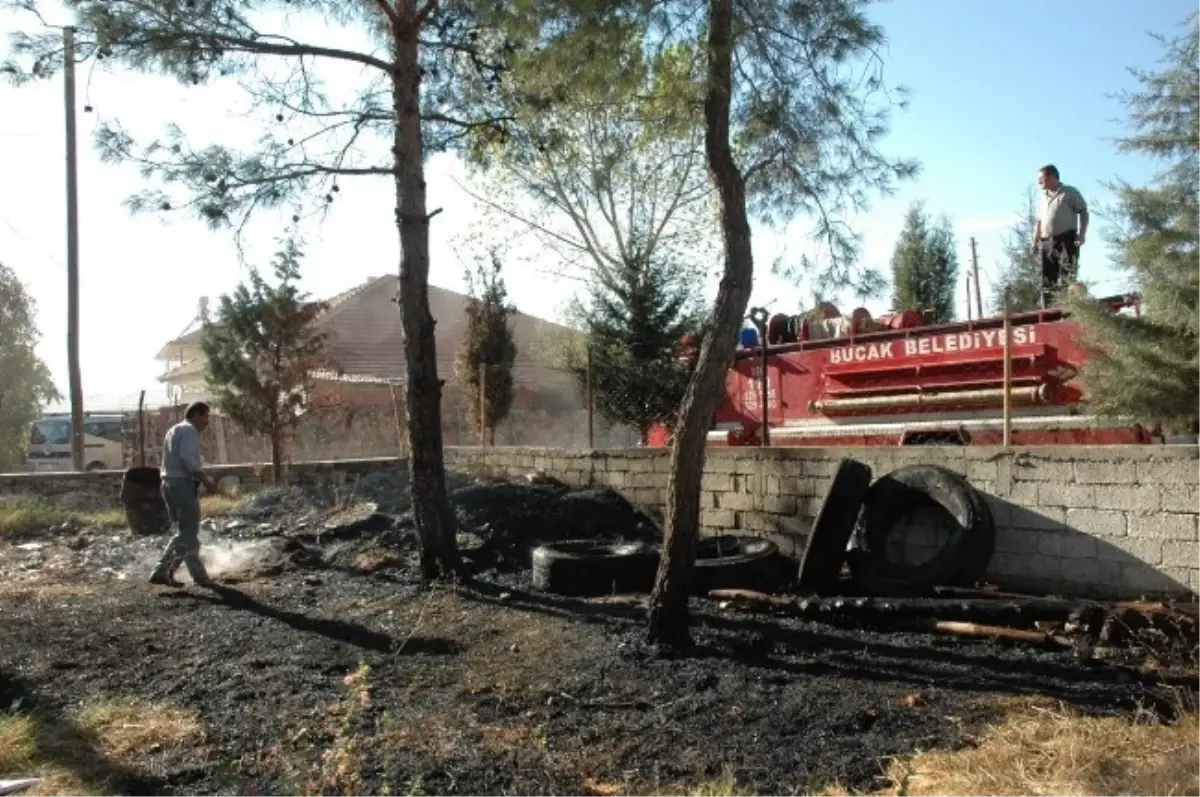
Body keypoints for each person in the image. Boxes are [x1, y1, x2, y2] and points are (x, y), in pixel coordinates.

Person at [149, 402, 220, 587]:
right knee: (188, 532)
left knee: (187, 532)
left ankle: (198, 574)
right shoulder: (189, 430)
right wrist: (205, 479)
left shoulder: (174, 429)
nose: (207, 421)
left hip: (169, 484)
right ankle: (162, 570)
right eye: (206, 416)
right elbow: (188, 458)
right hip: (181, 484)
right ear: (196, 414)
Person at [1031, 164, 1089, 308]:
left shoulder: (1069, 192)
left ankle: (1067, 309)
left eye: (1041, 179)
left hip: (1067, 239)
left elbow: (1083, 212)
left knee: (1067, 275)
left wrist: (1082, 234)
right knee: (1046, 279)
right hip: (1046, 242)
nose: (1039, 183)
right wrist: (1034, 241)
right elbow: (1039, 222)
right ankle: (1049, 311)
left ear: (1051, 177)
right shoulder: (1042, 199)